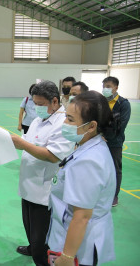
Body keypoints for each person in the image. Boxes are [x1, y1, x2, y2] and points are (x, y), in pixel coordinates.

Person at [47, 91, 116, 266]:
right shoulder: (90, 145)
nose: (65, 123)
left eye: (70, 119)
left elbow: (82, 216)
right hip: (71, 235)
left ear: (91, 126)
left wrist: (67, 257)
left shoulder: (89, 161)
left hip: (78, 247)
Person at [11, 81, 75, 266]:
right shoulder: (39, 119)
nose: (36, 108)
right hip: (28, 185)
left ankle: (40, 256)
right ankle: (32, 247)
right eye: (35, 104)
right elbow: (29, 140)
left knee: (41, 238)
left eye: (40, 104)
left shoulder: (63, 123)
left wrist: (22, 144)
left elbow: (53, 156)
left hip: (44, 191)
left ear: (55, 101)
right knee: (29, 227)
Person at [102, 76, 131, 207]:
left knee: (115, 169)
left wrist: (108, 137)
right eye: (104, 86)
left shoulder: (123, 104)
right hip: (100, 140)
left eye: (108, 86)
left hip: (114, 142)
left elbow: (121, 126)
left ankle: (114, 195)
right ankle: (102, 192)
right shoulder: (102, 102)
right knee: (101, 168)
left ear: (116, 88)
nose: (105, 89)